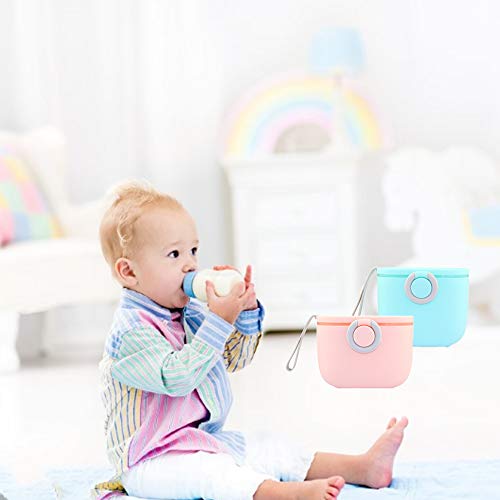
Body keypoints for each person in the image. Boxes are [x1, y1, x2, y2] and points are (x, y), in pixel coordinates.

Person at [94, 180, 409, 500]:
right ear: (129, 272)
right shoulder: (131, 334)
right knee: (212, 474)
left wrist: (242, 313)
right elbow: (177, 378)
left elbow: (234, 359)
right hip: (151, 462)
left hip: (199, 441)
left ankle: (362, 467)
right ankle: (287, 495)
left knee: (270, 447)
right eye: (174, 254)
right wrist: (218, 320)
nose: (190, 264)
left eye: (193, 250)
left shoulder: (188, 315)